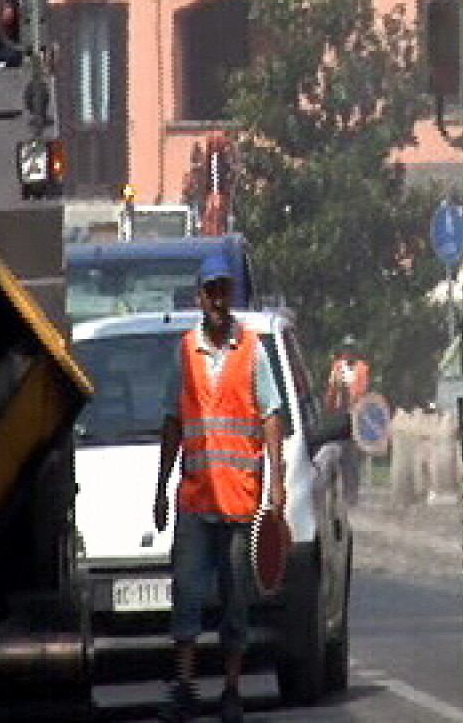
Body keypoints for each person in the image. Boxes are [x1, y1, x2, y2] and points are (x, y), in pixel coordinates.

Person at [152, 255, 285, 723]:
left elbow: (271, 416)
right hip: (194, 500)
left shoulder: (252, 350)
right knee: (186, 595)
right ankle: (184, 687)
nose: (218, 300)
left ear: (232, 295)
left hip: (239, 501)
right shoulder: (185, 351)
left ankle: (231, 691)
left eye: (225, 290)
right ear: (199, 297)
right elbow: (173, 422)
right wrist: (161, 486)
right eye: (211, 291)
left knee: (235, 601)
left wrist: (277, 486)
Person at [324, 338, 372, 503]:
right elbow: (331, 391)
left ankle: (353, 492)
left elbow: (364, 392)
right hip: (340, 414)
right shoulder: (337, 367)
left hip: (356, 416)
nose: (348, 353)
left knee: (353, 456)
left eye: (351, 350)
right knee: (340, 453)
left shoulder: (362, 369)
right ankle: (343, 491)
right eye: (346, 350)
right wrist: (329, 409)